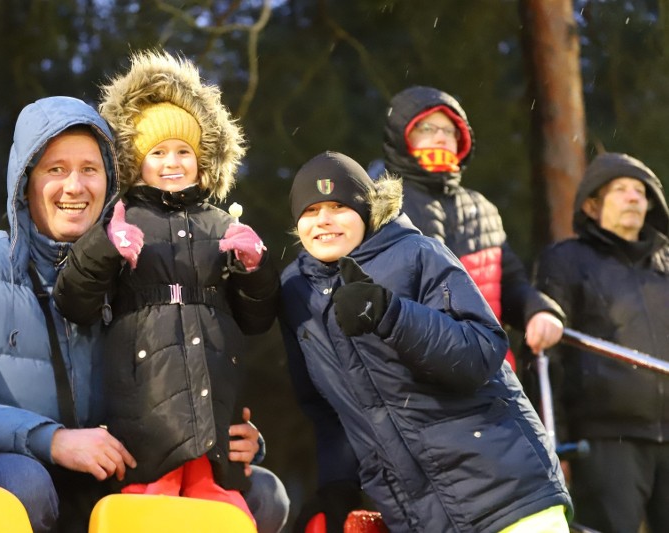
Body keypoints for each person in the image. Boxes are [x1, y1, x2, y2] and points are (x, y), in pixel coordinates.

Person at [0, 95, 289, 533]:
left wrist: (229, 440)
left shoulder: (139, 273)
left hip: (100, 482)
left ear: (111, 180)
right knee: (25, 484)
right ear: (25, 181)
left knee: (263, 496)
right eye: (55, 169)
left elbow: (187, 362)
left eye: (90, 169)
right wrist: (51, 440)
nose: (74, 187)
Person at [280, 151, 572, 532]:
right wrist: (338, 488)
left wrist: (392, 315)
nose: (324, 220)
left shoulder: (418, 253)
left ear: (366, 211)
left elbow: (481, 351)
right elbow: (326, 411)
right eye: (310, 211)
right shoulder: (295, 290)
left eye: (338, 206)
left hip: (507, 493)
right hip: (419, 518)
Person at [53, 50, 278, 526]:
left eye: (183, 152)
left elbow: (256, 318)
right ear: (137, 162)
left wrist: (254, 268)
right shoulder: (122, 217)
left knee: (219, 508)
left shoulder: (223, 222)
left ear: (203, 160)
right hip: (144, 402)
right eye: (158, 153)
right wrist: (105, 248)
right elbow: (75, 300)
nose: (172, 162)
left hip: (214, 402)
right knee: (148, 507)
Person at [380, 85, 565, 370]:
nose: (441, 137)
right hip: (413, 380)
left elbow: (511, 284)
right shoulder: (378, 206)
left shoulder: (483, 209)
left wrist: (538, 310)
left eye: (450, 130)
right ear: (401, 135)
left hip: (493, 375)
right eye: (427, 127)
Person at [533, 152, 669, 533]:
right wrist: (551, 441)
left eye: (640, 192)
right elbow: (546, 356)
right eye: (620, 190)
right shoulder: (566, 260)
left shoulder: (667, 264)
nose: (633, 198)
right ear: (592, 206)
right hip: (606, 439)